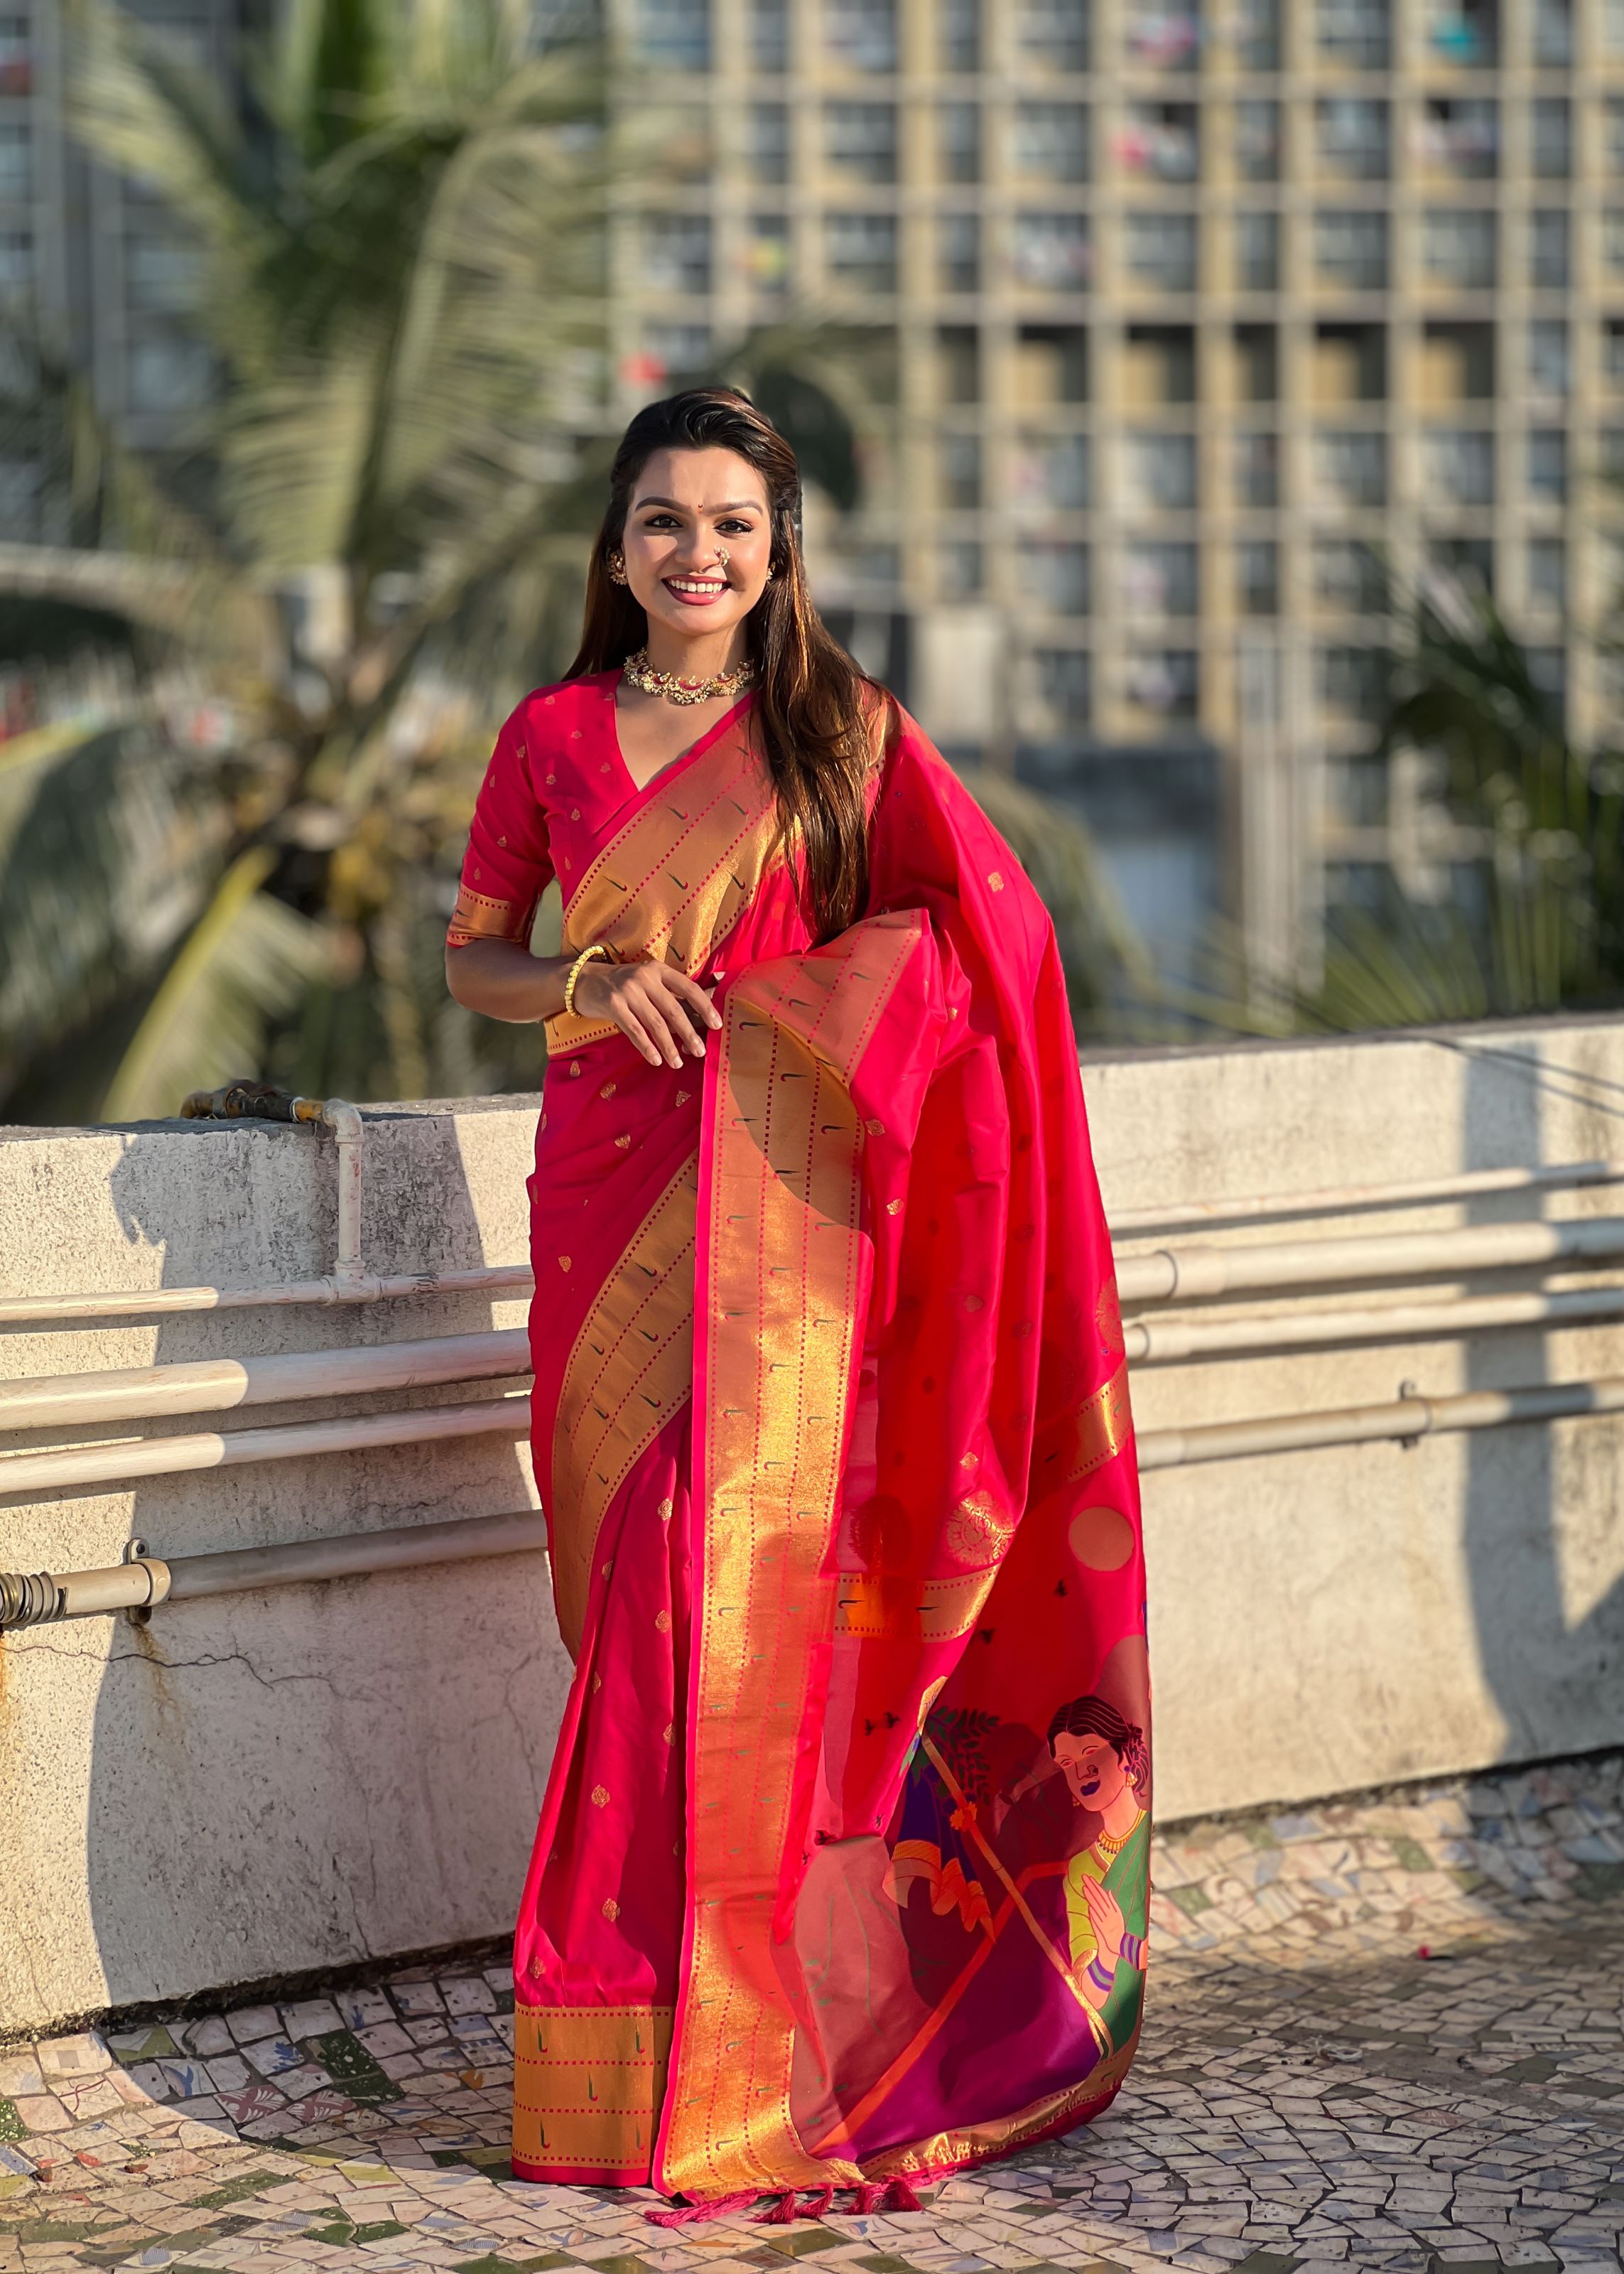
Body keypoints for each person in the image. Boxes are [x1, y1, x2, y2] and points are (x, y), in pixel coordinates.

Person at [444, 387, 1148, 2216]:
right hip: (611, 1206)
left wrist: (791, 1014)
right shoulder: (547, 736)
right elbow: (477, 963)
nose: (699, 553)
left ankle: (725, 2046)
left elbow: (985, 939)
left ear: (781, 554)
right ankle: (629, 2053)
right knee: (633, 1604)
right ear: (615, 548)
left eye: (734, 525)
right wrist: (592, 983)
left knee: (725, 1606)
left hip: (793, 1231)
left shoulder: (839, 739)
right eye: (666, 521)